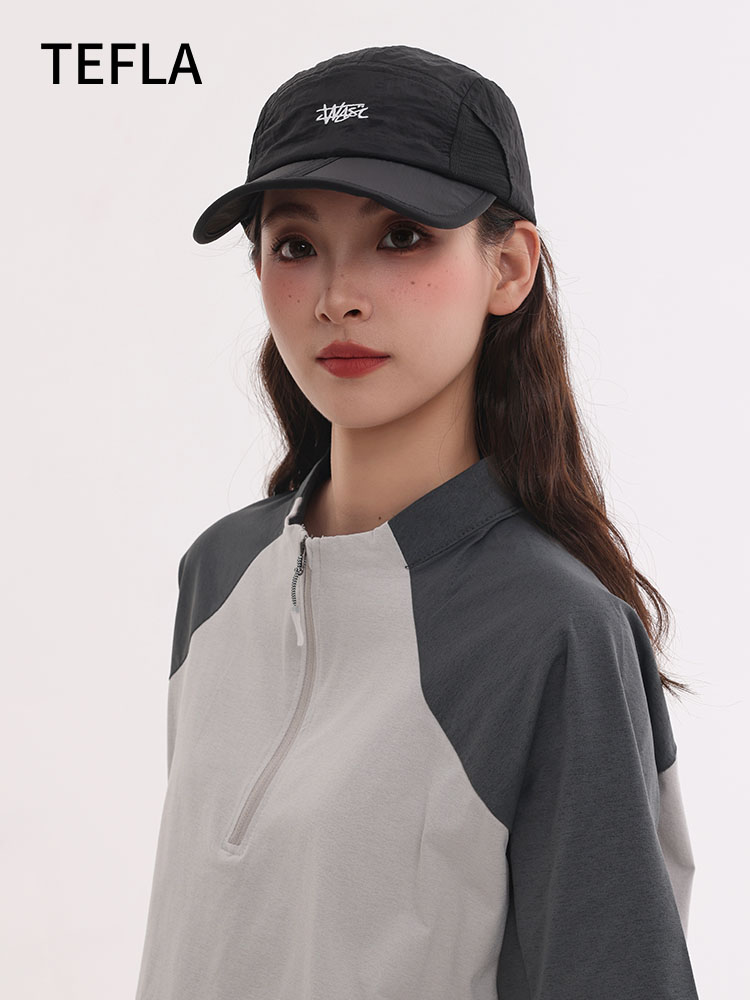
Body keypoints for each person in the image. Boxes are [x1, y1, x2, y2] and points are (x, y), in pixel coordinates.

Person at [134, 44, 700, 1000]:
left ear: (509, 267)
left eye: (400, 237)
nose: (337, 297)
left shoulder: (556, 631)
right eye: (295, 245)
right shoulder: (219, 573)